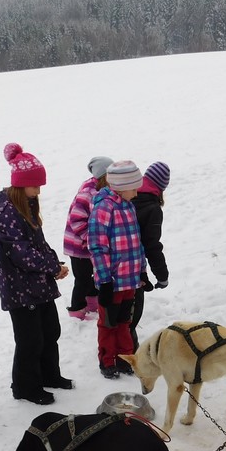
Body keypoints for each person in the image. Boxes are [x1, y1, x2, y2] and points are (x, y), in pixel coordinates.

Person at [0, 142, 72, 405]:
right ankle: (25, 386)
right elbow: (20, 253)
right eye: (35, 185)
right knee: (30, 339)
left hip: (38, 283)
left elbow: (37, 242)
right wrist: (51, 267)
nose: (39, 190)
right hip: (20, 287)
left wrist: (53, 262)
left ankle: (49, 375)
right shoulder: (7, 211)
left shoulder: (27, 203)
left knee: (50, 331)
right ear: (20, 183)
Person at [88, 160, 145, 379]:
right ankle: (107, 360)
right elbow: (97, 246)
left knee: (124, 322)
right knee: (109, 323)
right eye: (134, 188)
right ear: (121, 187)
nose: (137, 193)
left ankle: (124, 358)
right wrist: (104, 280)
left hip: (130, 279)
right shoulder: (104, 208)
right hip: (112, 282)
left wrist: (141, 270)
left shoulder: (129, 206)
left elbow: (136, 242)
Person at [62, 156, 113, 321]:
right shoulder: (87, 193)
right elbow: (77, 220)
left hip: (90, 244)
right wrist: (90, 238)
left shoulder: (102, 190)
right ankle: (76, 310)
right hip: (78, 245)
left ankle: (92, 303)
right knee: (82, 278)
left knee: (93, 274)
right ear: (103, 176)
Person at [130, 161, 171, 350]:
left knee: (115, 318)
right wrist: (162, 276)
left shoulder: (127, 194)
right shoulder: (152, 208)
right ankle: (128, 356)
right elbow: (152, 246)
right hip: (133, 270)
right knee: (130, 317)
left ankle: (111, 355)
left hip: (111, 266)